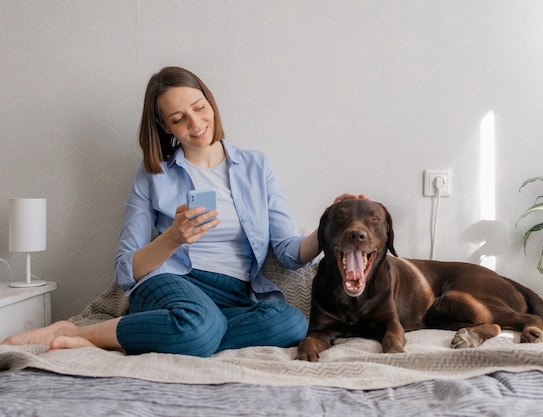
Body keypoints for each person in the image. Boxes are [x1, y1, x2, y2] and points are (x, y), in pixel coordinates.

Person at [2, 66, 365, 357]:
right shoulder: (153, 173)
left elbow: (289, 253)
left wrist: (330, 222)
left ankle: (190, 333)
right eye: (178, 119)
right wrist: (173, 237)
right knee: (198, 323)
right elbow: (126, 269)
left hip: (235, 293)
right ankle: (78, 332)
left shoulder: (256, 165)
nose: (195, 124)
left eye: (199, 107)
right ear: (165, 126)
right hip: (170, 283)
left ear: (210, 101)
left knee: (289, 324)